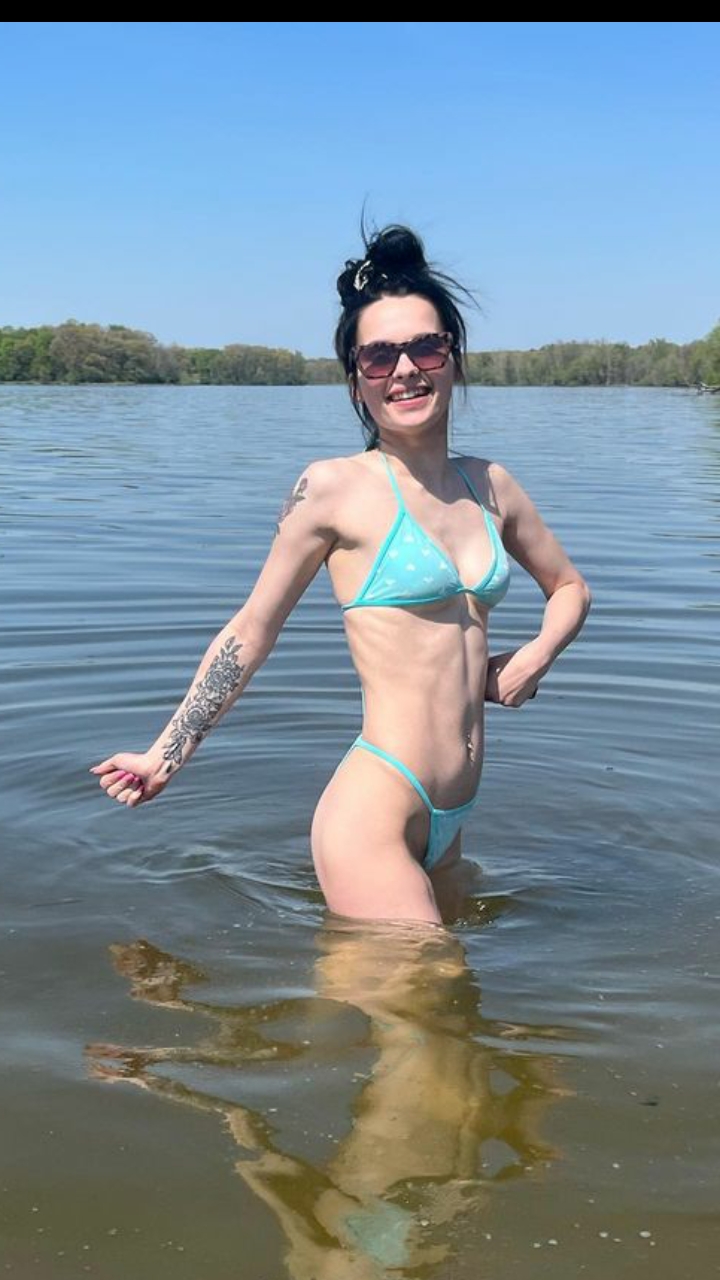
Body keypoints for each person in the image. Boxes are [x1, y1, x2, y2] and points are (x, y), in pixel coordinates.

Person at [90, 224, 591, 925]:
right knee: (428, 987)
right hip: (376, 809)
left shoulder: (491, 486)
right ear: (356, 380)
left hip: (454, 816)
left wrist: (536, 656)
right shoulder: (331, 490)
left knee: (433, 991)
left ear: (453, 357)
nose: (405, 370)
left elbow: (570, 588)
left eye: (426, 347)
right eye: (379, 356)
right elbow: (252, 629)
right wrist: (164, 755)